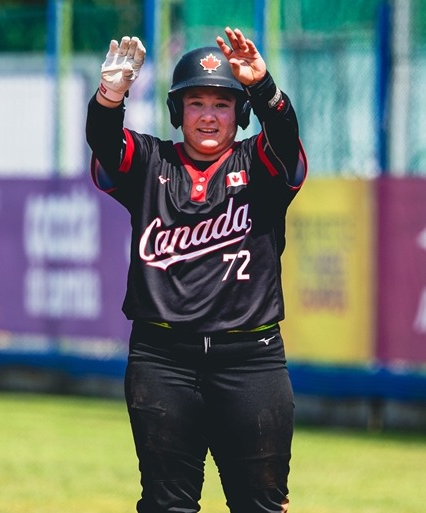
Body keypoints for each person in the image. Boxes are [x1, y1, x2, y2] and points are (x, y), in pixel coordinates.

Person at [86, 27, 307, 513]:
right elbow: (104, 142)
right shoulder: (151, 162)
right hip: (162, 359)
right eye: (196, 103)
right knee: (167, 504)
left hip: (251, 358)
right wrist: (110, 98)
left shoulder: (260, 163)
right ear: (177, 111)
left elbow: (285, 136)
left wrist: (262, 87)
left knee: (261, 504)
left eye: (222, 104)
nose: (208, 115)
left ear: (240, 113)